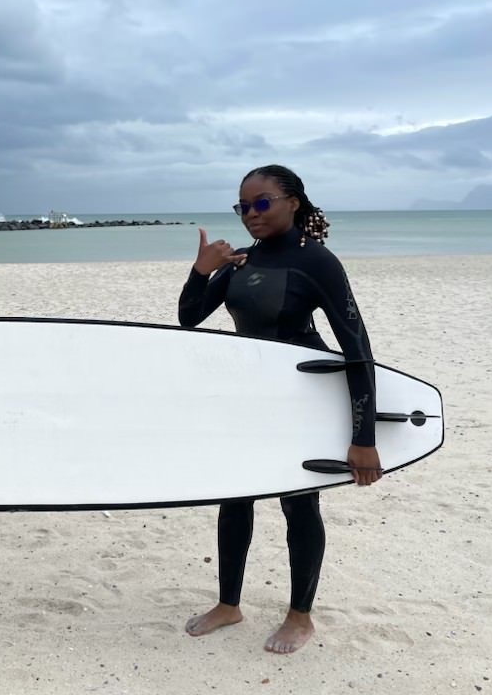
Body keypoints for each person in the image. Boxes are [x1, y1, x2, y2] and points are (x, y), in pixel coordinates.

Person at [176, 164, 381, 654]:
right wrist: (201, 269)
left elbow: (356, 346)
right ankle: (229, 605)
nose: (251, 214)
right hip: (248, 400)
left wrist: (364, 437)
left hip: (300, 402)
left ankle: (300, 616)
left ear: (293, 201)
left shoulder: (319, 263)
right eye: (243, 206)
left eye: (262, 202)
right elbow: (188, 319)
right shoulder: (240, 262)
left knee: (299, 504)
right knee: (235, 497)